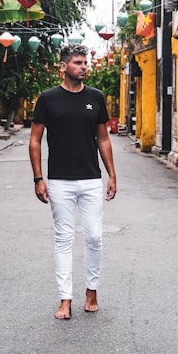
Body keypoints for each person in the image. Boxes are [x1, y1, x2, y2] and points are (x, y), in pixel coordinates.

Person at [29, 43, 117, 320]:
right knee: (63, 239)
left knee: (93, 236)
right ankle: (65, 298)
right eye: (78, 62)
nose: (84, 66)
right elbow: (34, 140)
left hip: (91, 178)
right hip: (59, 181)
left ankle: (92, 290)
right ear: (64, 66)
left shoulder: (96, 97)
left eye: (85, 62)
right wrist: (38, 178)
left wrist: (112, 173)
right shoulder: (48, 99)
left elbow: (103, 138)